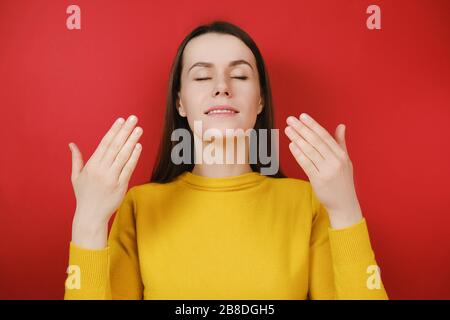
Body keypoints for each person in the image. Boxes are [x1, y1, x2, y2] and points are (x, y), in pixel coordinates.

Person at [64, 20, 388, 300]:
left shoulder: (307, 204)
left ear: (260, 100)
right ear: (180, 102)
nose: (222, 87)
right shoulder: (139, 208)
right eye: (203, 77)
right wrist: (88, 223)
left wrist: (347, 209)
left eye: (241, 76)